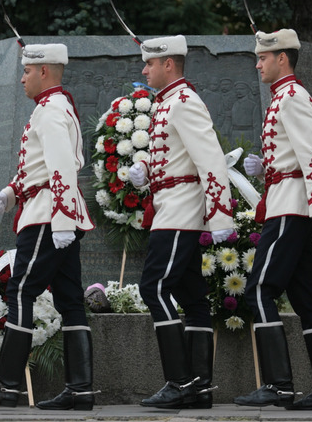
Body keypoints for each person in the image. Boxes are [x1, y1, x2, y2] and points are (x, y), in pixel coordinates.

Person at [0, 43, 96, 410]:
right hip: (50, 212)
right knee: (70, 300)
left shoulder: (50, 111)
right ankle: (80, 390)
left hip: (48, 217)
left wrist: (64, 220)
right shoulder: (53, 107)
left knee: (20, 291)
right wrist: (11, 191)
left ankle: (7, 385)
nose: (22, 78)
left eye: (26, 72)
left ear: (44, 72)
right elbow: (40, 168)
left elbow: (62, 168)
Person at [233, 29, 312, 410]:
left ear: (283, 57)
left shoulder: (292, 97)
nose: (258, 63)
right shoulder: (283, 96)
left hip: (291, 209)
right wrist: (266, 169)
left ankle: (279, 384)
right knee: (306, 300)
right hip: (285, 202)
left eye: (264, 57)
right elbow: (293, 159)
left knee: (259, 290)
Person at [127, 35, 235, 409]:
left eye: (150, 64)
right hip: (171, 206)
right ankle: (200, 387)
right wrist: (145, 170)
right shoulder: (169, 102)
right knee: (192, 297)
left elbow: (211, 160)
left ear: (168, 64)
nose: (144, 70)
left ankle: (180, 381)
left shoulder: (184, 102)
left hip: (180, 213)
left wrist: (221, 215)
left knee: (153, 289)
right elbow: (177, 159)